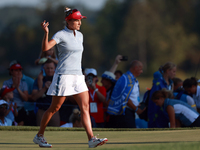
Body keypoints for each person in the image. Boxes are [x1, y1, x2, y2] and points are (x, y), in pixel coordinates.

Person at [33, 7, 107, 148]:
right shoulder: (60, 34)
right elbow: (45, 48)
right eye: (77, 20)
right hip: (64, 75)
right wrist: (46, 33)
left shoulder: (80, 35)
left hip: (78, 76)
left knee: (85, 107)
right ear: (69, 21)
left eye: (80, 20)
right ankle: (39, 136)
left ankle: (91, 138)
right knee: (54, 108)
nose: (80, 23)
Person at [107, 60, 145, 128]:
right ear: (136, 68)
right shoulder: (126, 79)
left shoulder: (132, 79)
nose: (141, 71)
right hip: (125, 113)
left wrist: (138, 104)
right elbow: (125, 98)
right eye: (140, 69)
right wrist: (137, 109)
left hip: (130, 112)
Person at [148, 62, 176, 128]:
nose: (175, 74)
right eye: (173, 71)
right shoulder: (158, 84)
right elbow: (154, 102)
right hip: (158, 117)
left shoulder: (171, 84)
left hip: (166, 115)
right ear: (168, 71)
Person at [31, 60, 60, 126]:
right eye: (47, 68)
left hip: (54, 111)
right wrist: (44, 88)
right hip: (42, 111)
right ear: (44, 69)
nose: (49, 70)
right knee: (41, 133)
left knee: (55, 133)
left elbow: (63, 96)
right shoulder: (39, 80)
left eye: (51, 68)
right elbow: (34, 98)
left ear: (54, 68)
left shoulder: (58, 80)